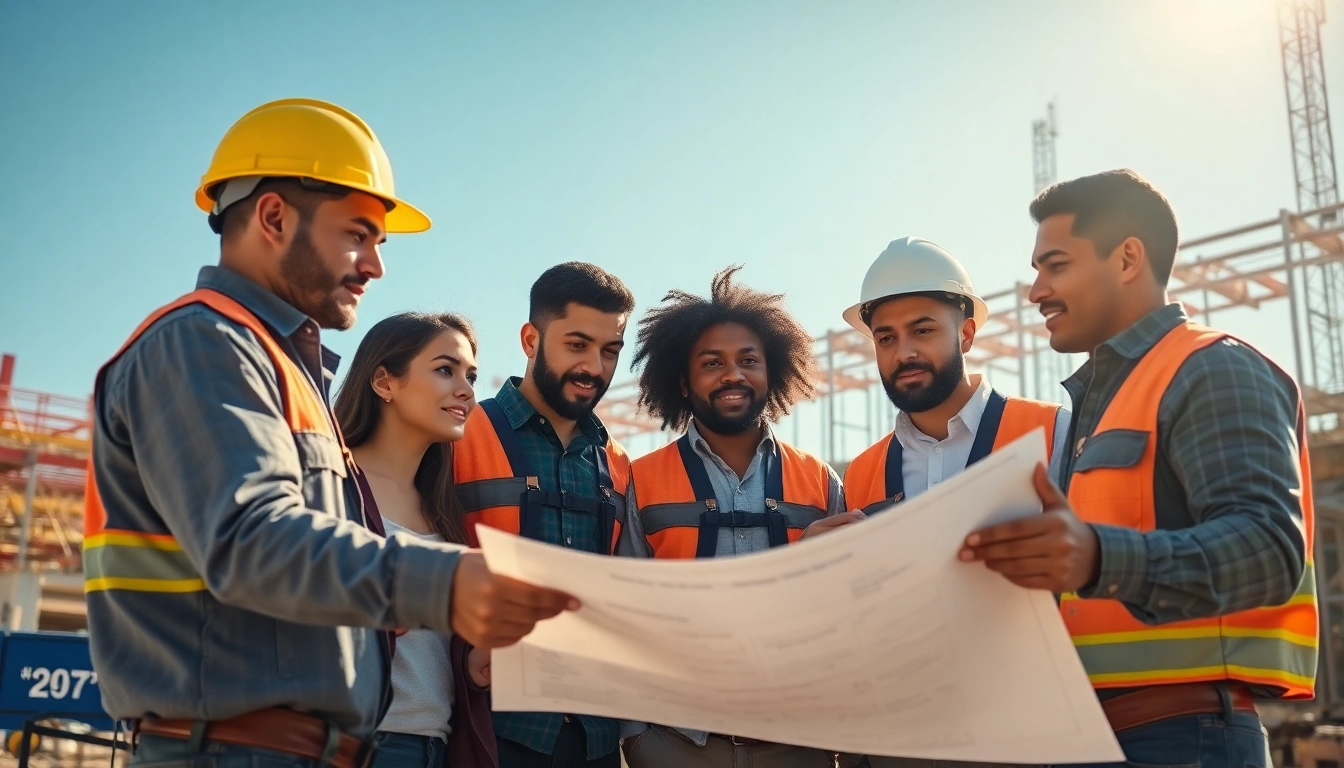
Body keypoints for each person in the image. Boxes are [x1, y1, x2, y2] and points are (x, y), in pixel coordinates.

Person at [85, 98, 574, 768]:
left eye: (379, 242)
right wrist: (448, 584)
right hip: (234, 752)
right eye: (357, 234)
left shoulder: (279, 369)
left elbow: (309, 580)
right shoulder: (202, 342)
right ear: (274, 217)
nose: (375, 265)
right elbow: (250, 540)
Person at [959, 169, 1318, 766]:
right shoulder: (1100, 405)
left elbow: (1268, 547)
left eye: (1055, 265)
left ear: (1127, 258)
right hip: (1097, 738)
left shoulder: (1213, 370)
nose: (1035, 291)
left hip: (1184, 736)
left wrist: (1098, 557)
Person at [836, 237, 1069, 768]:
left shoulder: (1052, 432)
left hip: (1030, 735)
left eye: (923, 330)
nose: (904, 353)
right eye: (886, 337)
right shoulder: (863, 474)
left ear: (966, 332)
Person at [619, 266, 852, 768]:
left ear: (772, 372)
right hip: (677, 744)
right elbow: (621, 611)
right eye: (712, 363)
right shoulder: (640, 480)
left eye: (749, 360)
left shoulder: (820, 480)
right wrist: (635, 736)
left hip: (799, 744)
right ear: (683, 381)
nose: (733, 374)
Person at [452, 262, 641, 768]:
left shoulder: (619, 464)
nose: (595, 368)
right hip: (487, 730)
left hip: (594, 739)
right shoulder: (458, 436)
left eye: (610, 351)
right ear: (530, 339)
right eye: (576, 345)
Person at [334, 311, 497, 768]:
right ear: (384, 382)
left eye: (471, 376)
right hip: (357, 745)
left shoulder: (445, 512)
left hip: (436, 746)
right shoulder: (329, 486)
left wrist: (470, 665)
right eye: (445, 370)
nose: (465, 389)